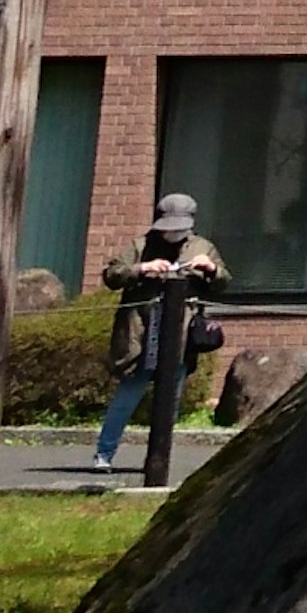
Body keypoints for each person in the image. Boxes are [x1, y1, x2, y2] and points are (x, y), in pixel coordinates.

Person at [91, 193, 228, 469]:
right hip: (141, 330)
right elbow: (111, 275)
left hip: (180, 334)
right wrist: (142, 269)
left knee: (170, 399)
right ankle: (104, 454)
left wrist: (210, 269)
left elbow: (223, 282)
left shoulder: (202, 247)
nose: (172, 235)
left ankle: (158, 458)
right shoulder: (140, 245)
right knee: (128, 394)